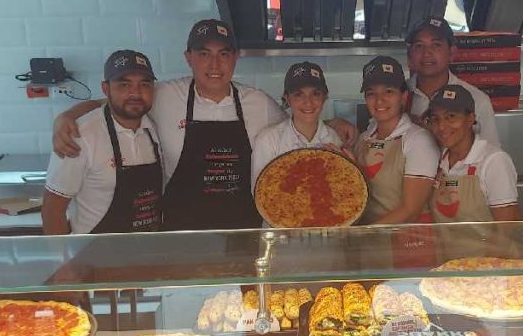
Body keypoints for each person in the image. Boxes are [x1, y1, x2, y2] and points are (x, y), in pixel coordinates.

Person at [50, 19, 356, 231]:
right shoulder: (166, 95)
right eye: (204, 54)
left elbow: (299, 122)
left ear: (235, 58)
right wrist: (68, 116)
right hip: (182, 232)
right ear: (188, 58)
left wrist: (331, 121)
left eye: (223, 54)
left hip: (242, 233)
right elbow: (125, 103)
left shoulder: (257, 103)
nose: (214, 65)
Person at [42, 50, 162, 234]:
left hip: (147, 252)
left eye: (144, 84)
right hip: (93, 256)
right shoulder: (80, 136)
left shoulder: (155, 126)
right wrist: (63, 260)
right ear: (106, 89)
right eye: (124, 84)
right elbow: (52, 211)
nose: (135, 93)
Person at [354, 56, 439, 224]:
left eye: (388, 91)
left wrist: (364, 234)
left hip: (408, 242)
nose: (379, 100)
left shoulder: (418, 141)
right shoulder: (364, 138)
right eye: (372, 93)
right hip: (371, 239)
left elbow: (410, 211)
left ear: (403, 97)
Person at [427, 84, 521, 222]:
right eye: (436, 119)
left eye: (451, 117)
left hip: (487, 244)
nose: (441, 127)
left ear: (470, 118)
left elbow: (506, 230)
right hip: (447, 243)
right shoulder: (439, 160)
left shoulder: (494, 161)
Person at [405, 16, 501, 148]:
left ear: (451, 52)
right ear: (410, 55)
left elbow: (491, 153)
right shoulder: (396, 96)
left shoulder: (477, 100)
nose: (427, 53)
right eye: (419, 46)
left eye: (436, 45)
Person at [251, 61, 343, 186]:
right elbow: (261, 193)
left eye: (315, 94)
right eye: (299, 95)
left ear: (325, 97)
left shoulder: (334, 139)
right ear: (287, 99)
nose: (308, 102)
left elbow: (341, 191)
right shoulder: (269, 141)